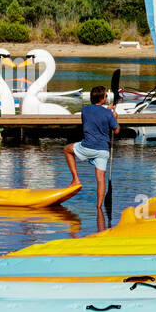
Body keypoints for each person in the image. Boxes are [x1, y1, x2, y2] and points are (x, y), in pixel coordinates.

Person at [65, 85, 119, 221]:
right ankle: (99, 207)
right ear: (102, 98)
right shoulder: (108, 114)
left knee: (67, 149)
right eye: (106, 95)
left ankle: (76, 179)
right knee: (100, 180)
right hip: (102, 151)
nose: (107, 97)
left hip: (87, 147)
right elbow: (116, 130)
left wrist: (108, 113)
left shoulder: (84, 110)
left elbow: (91, 119)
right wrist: (114, 117)